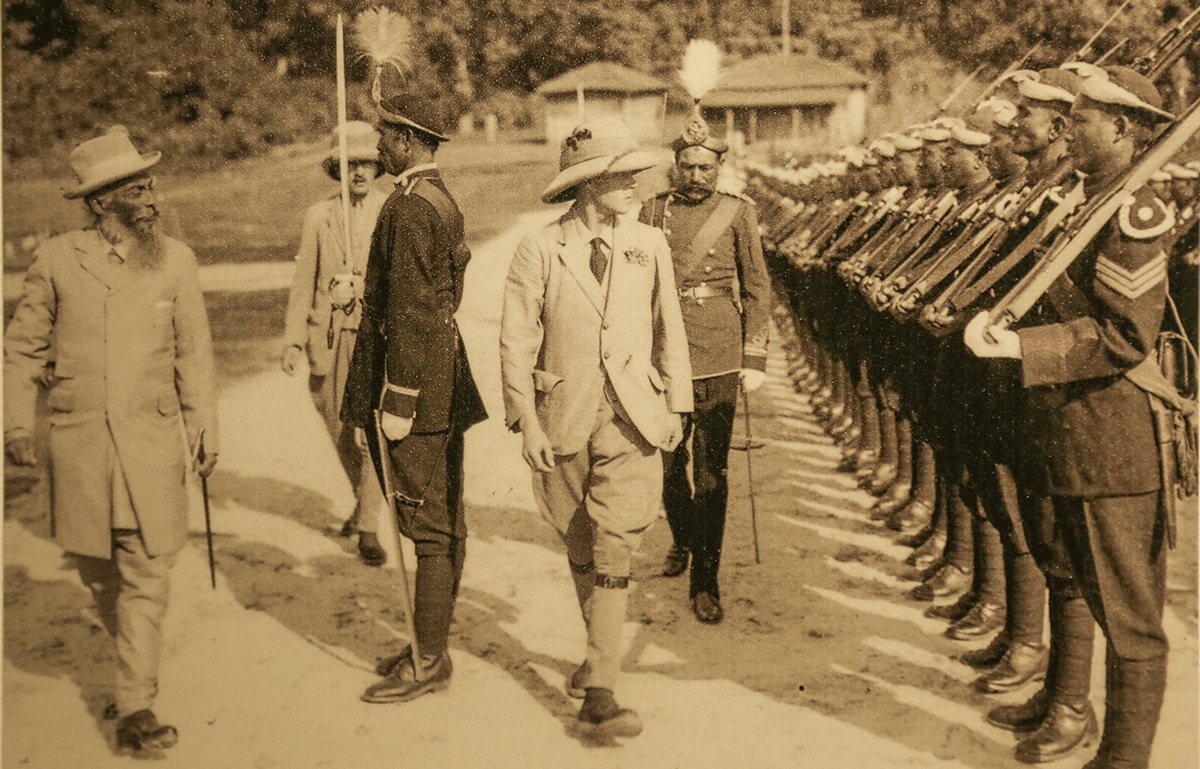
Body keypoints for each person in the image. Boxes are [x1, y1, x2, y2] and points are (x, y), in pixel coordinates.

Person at [966, 64, 1176, 769]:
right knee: (1066, 572)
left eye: (1082, 117)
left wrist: (1021, 344)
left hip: (1110, 440)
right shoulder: (1082, 202)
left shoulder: (1133, 212)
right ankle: (1067, 702)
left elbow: (1125, 335)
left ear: (1123, 129)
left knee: (1130, 618)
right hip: (1059, 427)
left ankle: (1124, 757)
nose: (1068, 126)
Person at [3, 126, 219, 753]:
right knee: (100, 574)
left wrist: (203, 428)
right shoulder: (56, 260)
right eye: (137, 189)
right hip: (79, 447)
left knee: (147, 571)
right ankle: (133, 678)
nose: (152, 198)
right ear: (101, 204)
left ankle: (135, 706)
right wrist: (16, 423)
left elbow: (195, 355)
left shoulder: (177, 260)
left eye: (152, 185)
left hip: (151, 444)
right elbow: (20, 350)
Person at [500, 117, 692, 736]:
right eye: (623, 175)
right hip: (564, 418)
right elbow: (515, 340)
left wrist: (679, 406)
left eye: (639, 173)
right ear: (588, 185)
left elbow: (671, 328)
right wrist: (525, 422)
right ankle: (597, 658)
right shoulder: (540, 247)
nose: (638, 184)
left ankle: (600, 691)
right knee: (580, 544)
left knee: (618, 542)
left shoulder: (650, 244)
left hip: (636, 417)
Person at [342, 92, 488, 703]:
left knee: (429, 530)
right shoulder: (438, 199)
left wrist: (397, 399)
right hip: (442, 382)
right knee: (444, 521)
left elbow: (414, 311)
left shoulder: (407, 209)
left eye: (385, 138)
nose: (377, 148)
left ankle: (429, 661)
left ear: (408, 141)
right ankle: (430, 644)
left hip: (414, 390)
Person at [640, 108, 771, 624]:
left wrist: (753, 357)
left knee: (711, 474)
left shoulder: (738, 213)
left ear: (718, 171)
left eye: (706, 169)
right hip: (664, 352)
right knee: (669, 467)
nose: (696, 177)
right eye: (688, 167)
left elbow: (757, 289)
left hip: (719, 350)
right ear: (676, 165)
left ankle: (706, 581)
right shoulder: (651, 210)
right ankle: (683, 539)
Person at [282, 121, 388, 566]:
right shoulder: (319, 215)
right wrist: (292, 341)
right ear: (336, 170)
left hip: (373, 336)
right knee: (340, 427)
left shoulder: (390, 211)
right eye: (348, 165)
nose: (357, 172)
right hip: (327, 338)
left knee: (373, 433)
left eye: (364, 162)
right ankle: (361, 503)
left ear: (377, 165)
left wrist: (365, 287)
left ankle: (368, 528)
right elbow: (303, 280)